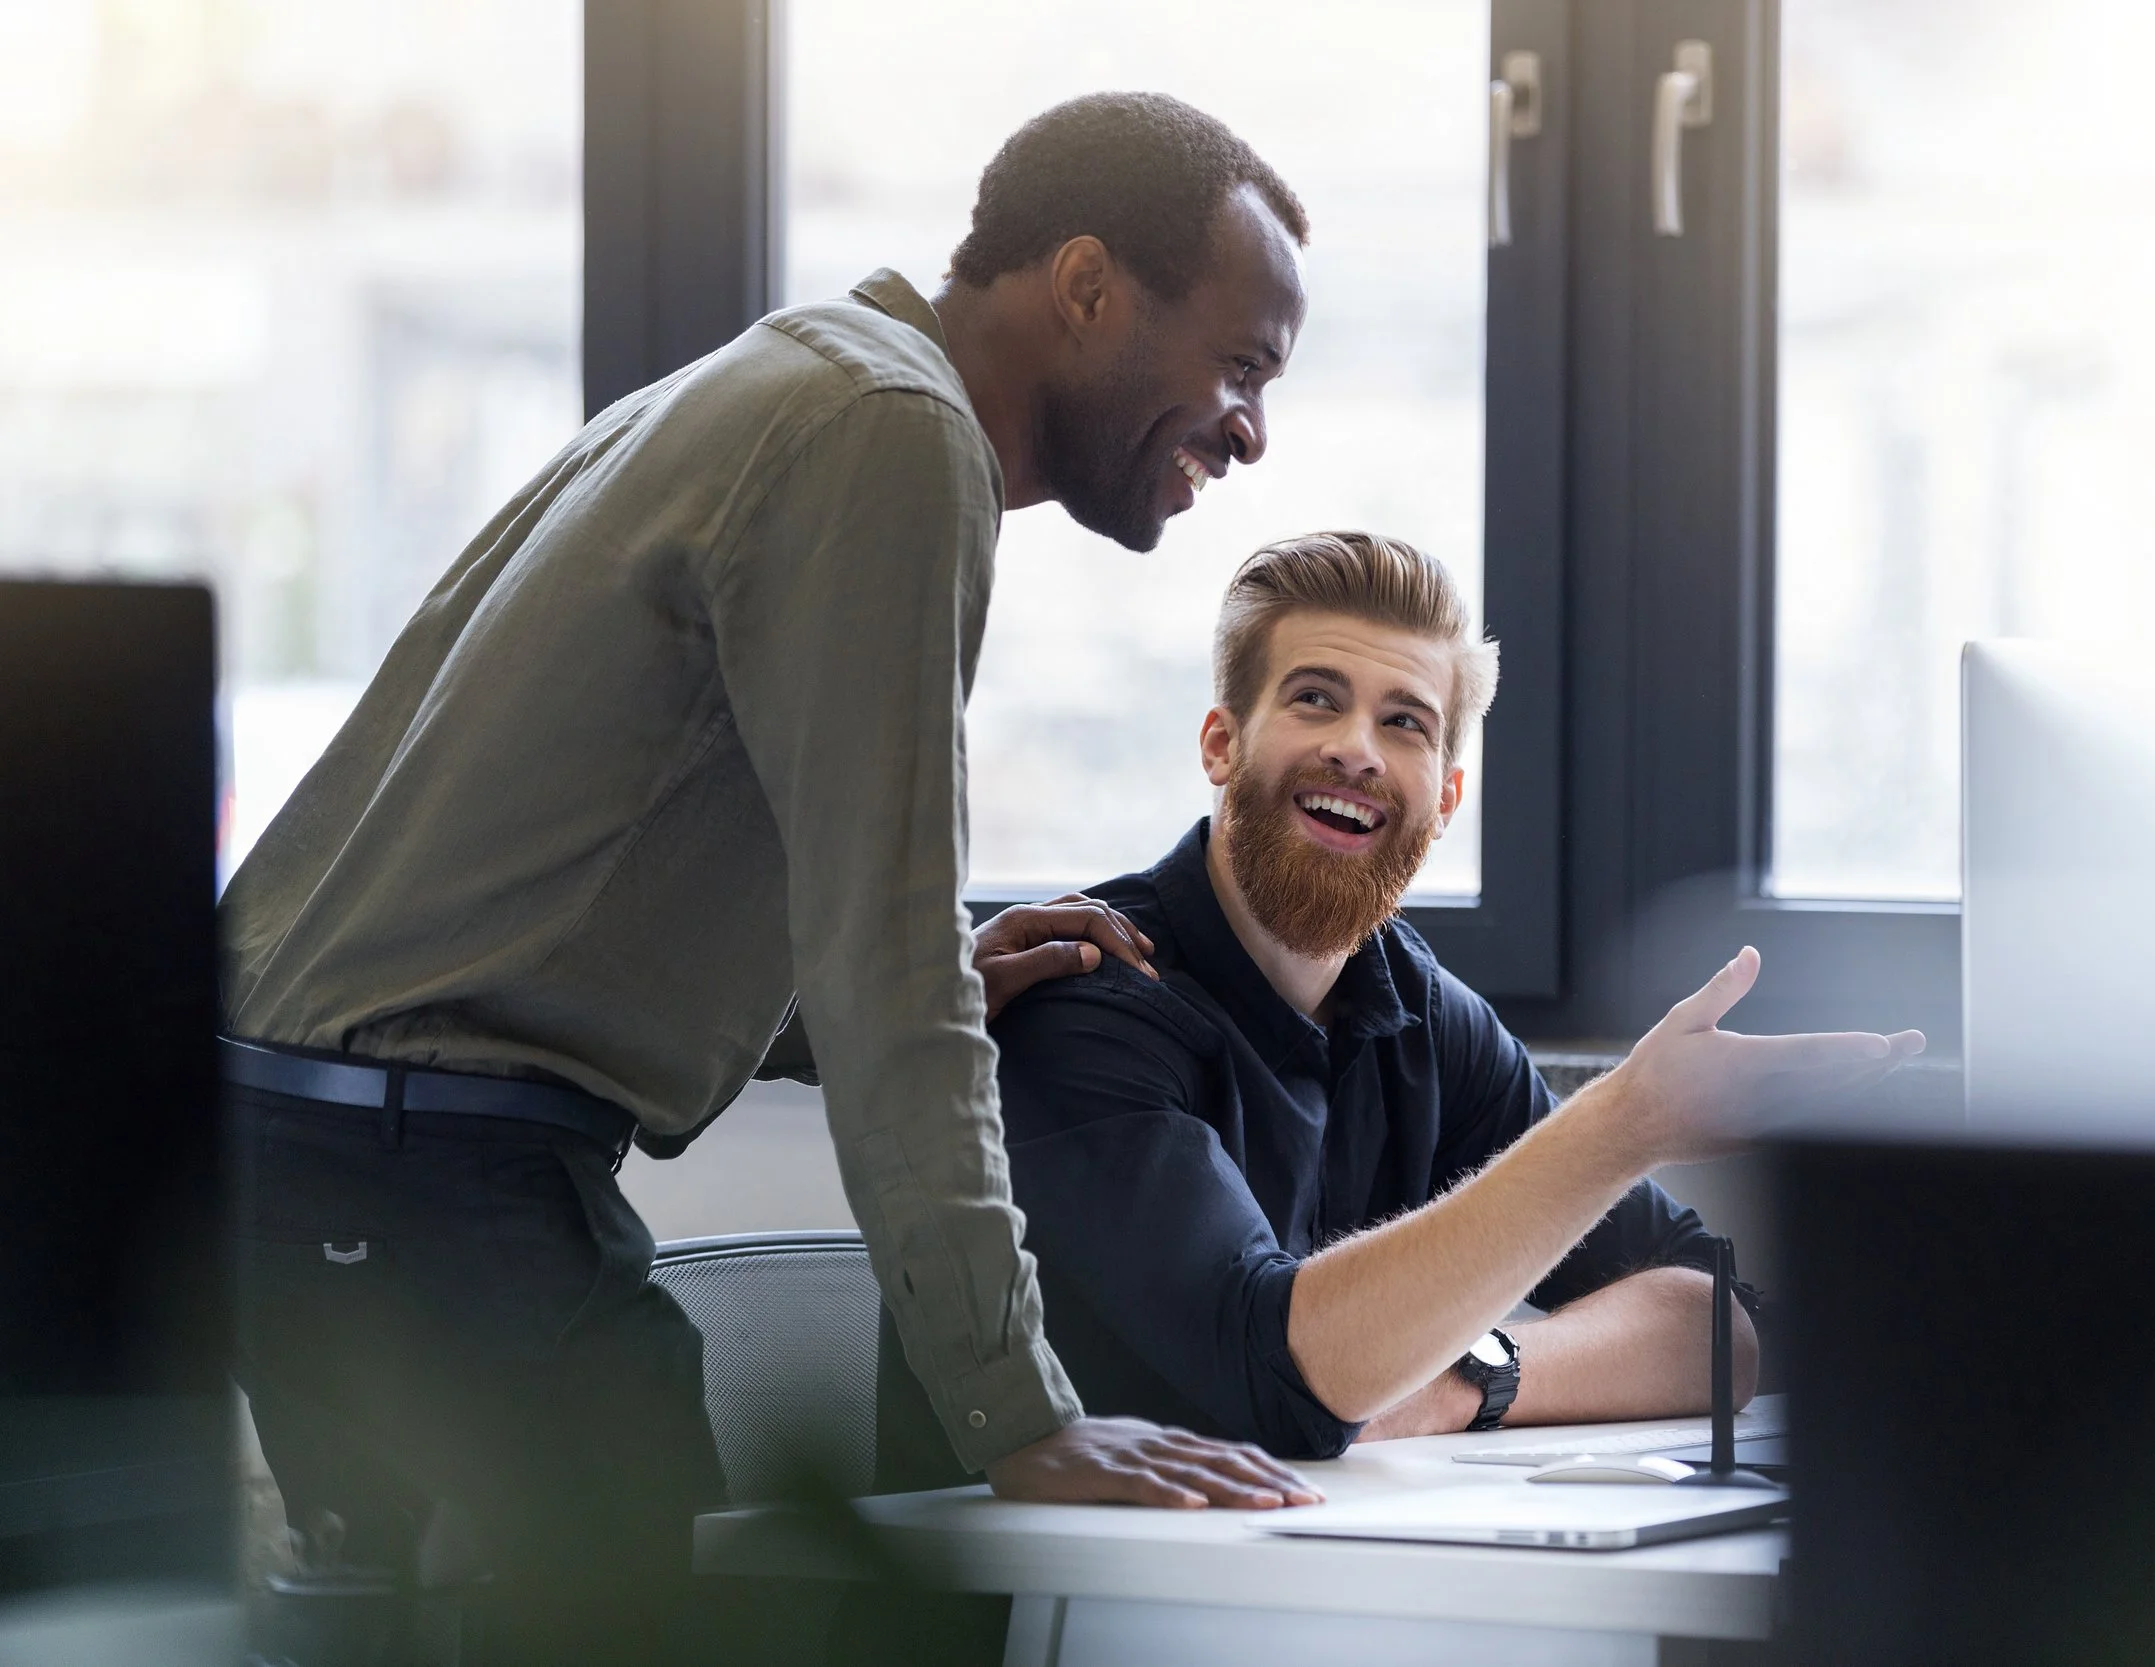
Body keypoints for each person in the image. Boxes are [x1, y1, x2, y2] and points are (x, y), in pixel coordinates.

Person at [219, 94, 1321, 1665]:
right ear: (1086, 288)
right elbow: (888, 972)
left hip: (329, 1156)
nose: (1252, 430)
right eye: (1241, 364)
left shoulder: (799, 373)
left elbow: (610, 845)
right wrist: (1021, 1410)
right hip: (416, 1176)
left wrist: (902, 969)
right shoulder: (893, 435)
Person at [881, 532, 1923, 1477]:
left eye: (1405, 721)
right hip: (1031, 1611)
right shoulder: (1090, 992)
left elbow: (1726, 1323)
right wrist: (1626, 1120)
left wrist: (1470, 1374)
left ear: (1445, 796)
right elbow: (1286, 1379)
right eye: (1314, 699)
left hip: (1295, 1584)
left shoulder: (1421, 1010)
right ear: (1219, 744)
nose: (1359, 750)